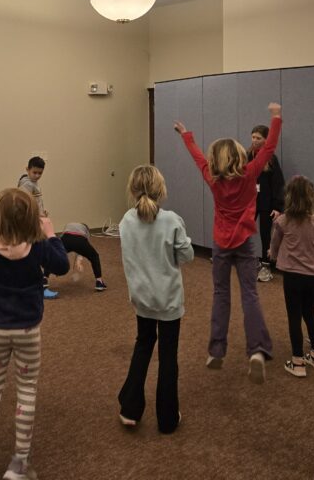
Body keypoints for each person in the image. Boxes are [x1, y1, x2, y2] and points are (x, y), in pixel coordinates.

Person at [0, 188, 69, 480]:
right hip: (28, 329)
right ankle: (19, 462)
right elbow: (62, 264)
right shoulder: (39, 245)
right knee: (27, 391)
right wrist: (51, 233)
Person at [174, 102, 282, 383]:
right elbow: (268, 149)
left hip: (221, 244)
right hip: (245, 242)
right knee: (250, 294)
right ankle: (257, 351)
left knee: (221, 295)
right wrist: (275, 118)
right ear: (238, 156)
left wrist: (187, 135)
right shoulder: (250, 174)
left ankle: (216, 350)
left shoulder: (213, 177)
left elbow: (197, 156)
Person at [117, 165, 194, 434]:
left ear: (133, 189)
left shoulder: (126, 221)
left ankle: (130, 408)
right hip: (169, 300)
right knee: (168, 356)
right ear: (161, 190)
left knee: (143, 345)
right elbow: (187, 256)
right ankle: (168, 418)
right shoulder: (172, 220)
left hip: (142, 299)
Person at [269, 175, 314, 378]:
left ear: (289, 196)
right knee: (310, 314)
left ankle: (297, 361)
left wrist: (274, 255)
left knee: (294, 317)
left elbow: (275, 245)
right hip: (313, 276)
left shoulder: (283, 221)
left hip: (292, 277)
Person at [248, 123, 285, 283]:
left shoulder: (271, 159)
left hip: (266, 204)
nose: (255, 140)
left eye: (259, 138)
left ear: (266, 140)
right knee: (243, 232)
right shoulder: (247, 155)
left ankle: (266, 266)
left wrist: (278, 207)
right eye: (253, 137)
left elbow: (278, 184)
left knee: (265, 235)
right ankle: (246, 260)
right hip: (249, 202)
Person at [18, 156, 59, 300]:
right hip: (30, 224)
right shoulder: (26, 184)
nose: (37, 175)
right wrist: (38, 214)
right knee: (34, 255)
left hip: (36, 221)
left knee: (36, 255)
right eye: (34, 172)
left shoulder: (33, 183)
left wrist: (43, 211)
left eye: (40, 173)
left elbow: (37, 201)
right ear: (27, 169)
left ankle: (37, 286)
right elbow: (26, 204)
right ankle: (38, 288)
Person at [59, 222, 107, 292]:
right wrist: (79, 262)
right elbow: (82, 249)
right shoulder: (86, 230)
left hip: (65, 239)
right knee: (94, 256)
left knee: (53, 254)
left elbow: (62, 237)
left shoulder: (68, 225)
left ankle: (45, 279)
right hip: (80, 241)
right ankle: (99, 282)